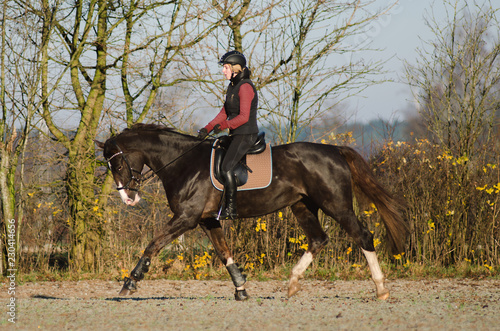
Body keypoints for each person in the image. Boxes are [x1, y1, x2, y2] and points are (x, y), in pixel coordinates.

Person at [198, 50, 259, 220]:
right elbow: (224, 112)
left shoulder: (245, 87)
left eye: (225, 67)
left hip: (246, 135)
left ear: (236, 69)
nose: (223, 71)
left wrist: (223, 126)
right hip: (236, 134)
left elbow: (243, 117)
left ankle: (231, 209)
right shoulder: (232, 86)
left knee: (226, 167)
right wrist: (207, 129)